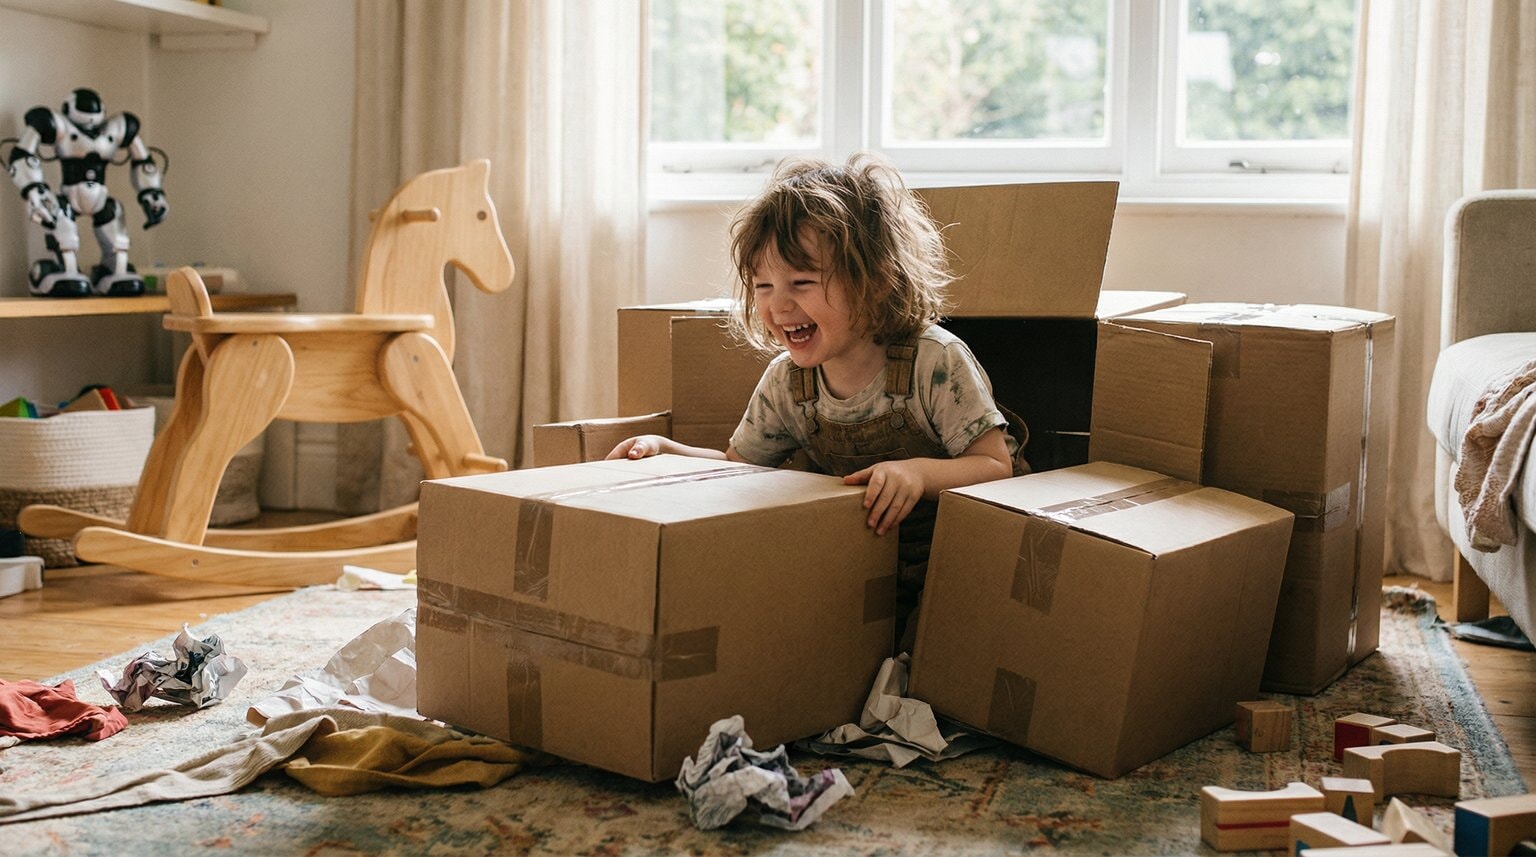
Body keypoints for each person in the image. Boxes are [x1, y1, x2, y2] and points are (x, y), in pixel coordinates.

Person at [608, 152, 1028, 649]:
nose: (778, 305)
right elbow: (740, 468)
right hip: (866, 566)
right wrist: (669, 452)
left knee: (945, 650)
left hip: (962, 561)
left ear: (876, 280)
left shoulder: (933, 361)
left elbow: (994, 465)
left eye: (801, 283)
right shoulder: (788, 382)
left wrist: (917, 473)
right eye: (763, 285)